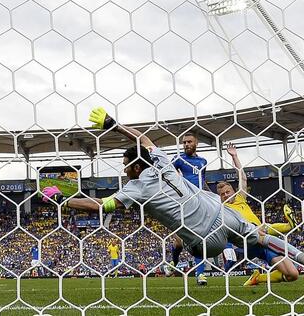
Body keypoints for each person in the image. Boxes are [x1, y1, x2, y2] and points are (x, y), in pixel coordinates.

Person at [50, 108, 304, 284]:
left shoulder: (136, 187)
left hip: (205, 241)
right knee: (260, 237)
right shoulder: (161, 160)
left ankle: (198, 268)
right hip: (221, 214)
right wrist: (113, 125)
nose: (125, 170)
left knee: (213, 242)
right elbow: (144, 138)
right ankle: (297, 256)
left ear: (137, 167)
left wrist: (64, 201)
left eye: (126, 165)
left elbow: (100, 205)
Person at [216, 143, 299, 286]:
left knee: (292, 274)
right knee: (260, 229)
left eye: (227, 192)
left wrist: (235, 156)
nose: (225, 195)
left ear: (233, 191)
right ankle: (287, 226)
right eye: (222, 194)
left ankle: (258, 278)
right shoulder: (221, 209)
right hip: (246, 241)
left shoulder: (240, 198)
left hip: (263, 239)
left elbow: (242, 178)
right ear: (219, 197)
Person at [166, 132, 209, 284]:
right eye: (184, 142)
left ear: (196, 143)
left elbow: (202, 181)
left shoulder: (203, 161)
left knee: (199, 239)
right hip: (182, 202)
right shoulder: (179, 159)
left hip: (198, 202)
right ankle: (174, 262)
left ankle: (200, 274)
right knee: (178, 243)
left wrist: (210, 197)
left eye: (189, 142)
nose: (186, 145)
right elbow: (167, 174)